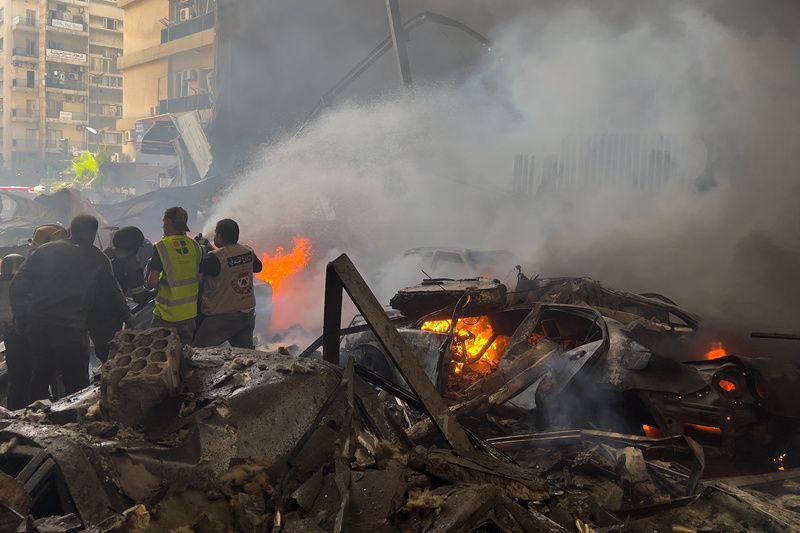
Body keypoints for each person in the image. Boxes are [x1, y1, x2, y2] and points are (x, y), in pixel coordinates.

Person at [10, 215, 132, 401]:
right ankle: (73, 416)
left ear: (69, 231)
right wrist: (127, 316)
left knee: (41, 376)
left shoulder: (44, 250)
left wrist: (20, 316)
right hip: (71, 330)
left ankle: (37, 414)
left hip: (38, 326)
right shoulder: (98, 258)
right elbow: (112, 291)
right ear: (93, 235)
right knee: (76, 385)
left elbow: (17, 283)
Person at [193, 219, 263, 349]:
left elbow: (198, 281)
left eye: (215, 234)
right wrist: (207, 245)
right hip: (246, 313)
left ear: (219, 236)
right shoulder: (247, 251)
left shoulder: (214, 258)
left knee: (198, 351)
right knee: (246, 353)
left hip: (221, 316)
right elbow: (257, 267)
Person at [89, 226, 154, 362]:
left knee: (102, 350)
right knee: (112, 355)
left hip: (90, 311)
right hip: (110, 314)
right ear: (135, 248)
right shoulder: (131, 265)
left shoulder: (104, 254)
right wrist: (157, 291)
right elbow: (139, 297)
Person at [146, 207, 202, 345]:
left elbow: (152, 282)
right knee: (183, 351)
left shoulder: (162, 247)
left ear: (168, 222)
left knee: (158, 350)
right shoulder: (195, 246)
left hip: (165, 315)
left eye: (164, 222)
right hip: (189, 314)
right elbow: (200, 278)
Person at [0, 254, 30, 409]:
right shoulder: (25, 282)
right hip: (23, 332)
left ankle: (16, 406)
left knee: (17, 374)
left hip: (11, 333)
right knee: (24, 374)